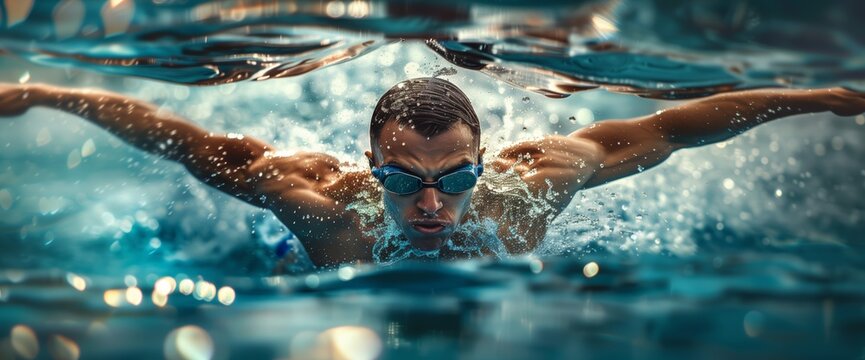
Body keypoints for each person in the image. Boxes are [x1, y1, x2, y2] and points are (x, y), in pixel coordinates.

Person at [1, 78, 864, 267]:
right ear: (368, 164)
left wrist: (822, 97)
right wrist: (43, 93)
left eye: (453, 180)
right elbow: (163, 131)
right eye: (401, 180)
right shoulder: (308, 197)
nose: (427, 202)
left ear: (481, 165)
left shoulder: (537, 182)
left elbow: (674, 128)